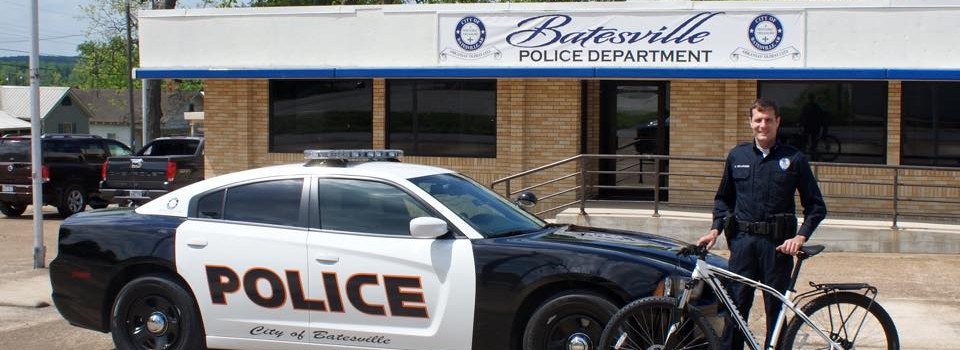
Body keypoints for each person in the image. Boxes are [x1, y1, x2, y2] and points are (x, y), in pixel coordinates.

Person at [697, 97, 827, 349]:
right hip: (743, 244)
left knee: (775, 310)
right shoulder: (737, 156)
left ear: (778, 122)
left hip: (777, 247)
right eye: (758, 120)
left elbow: (816, 206)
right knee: (735, 306)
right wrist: (715, 229)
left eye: (768, 120)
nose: (762, 125)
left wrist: (800, 237)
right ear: (750, 123)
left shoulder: (795, 158)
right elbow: (723, 199)